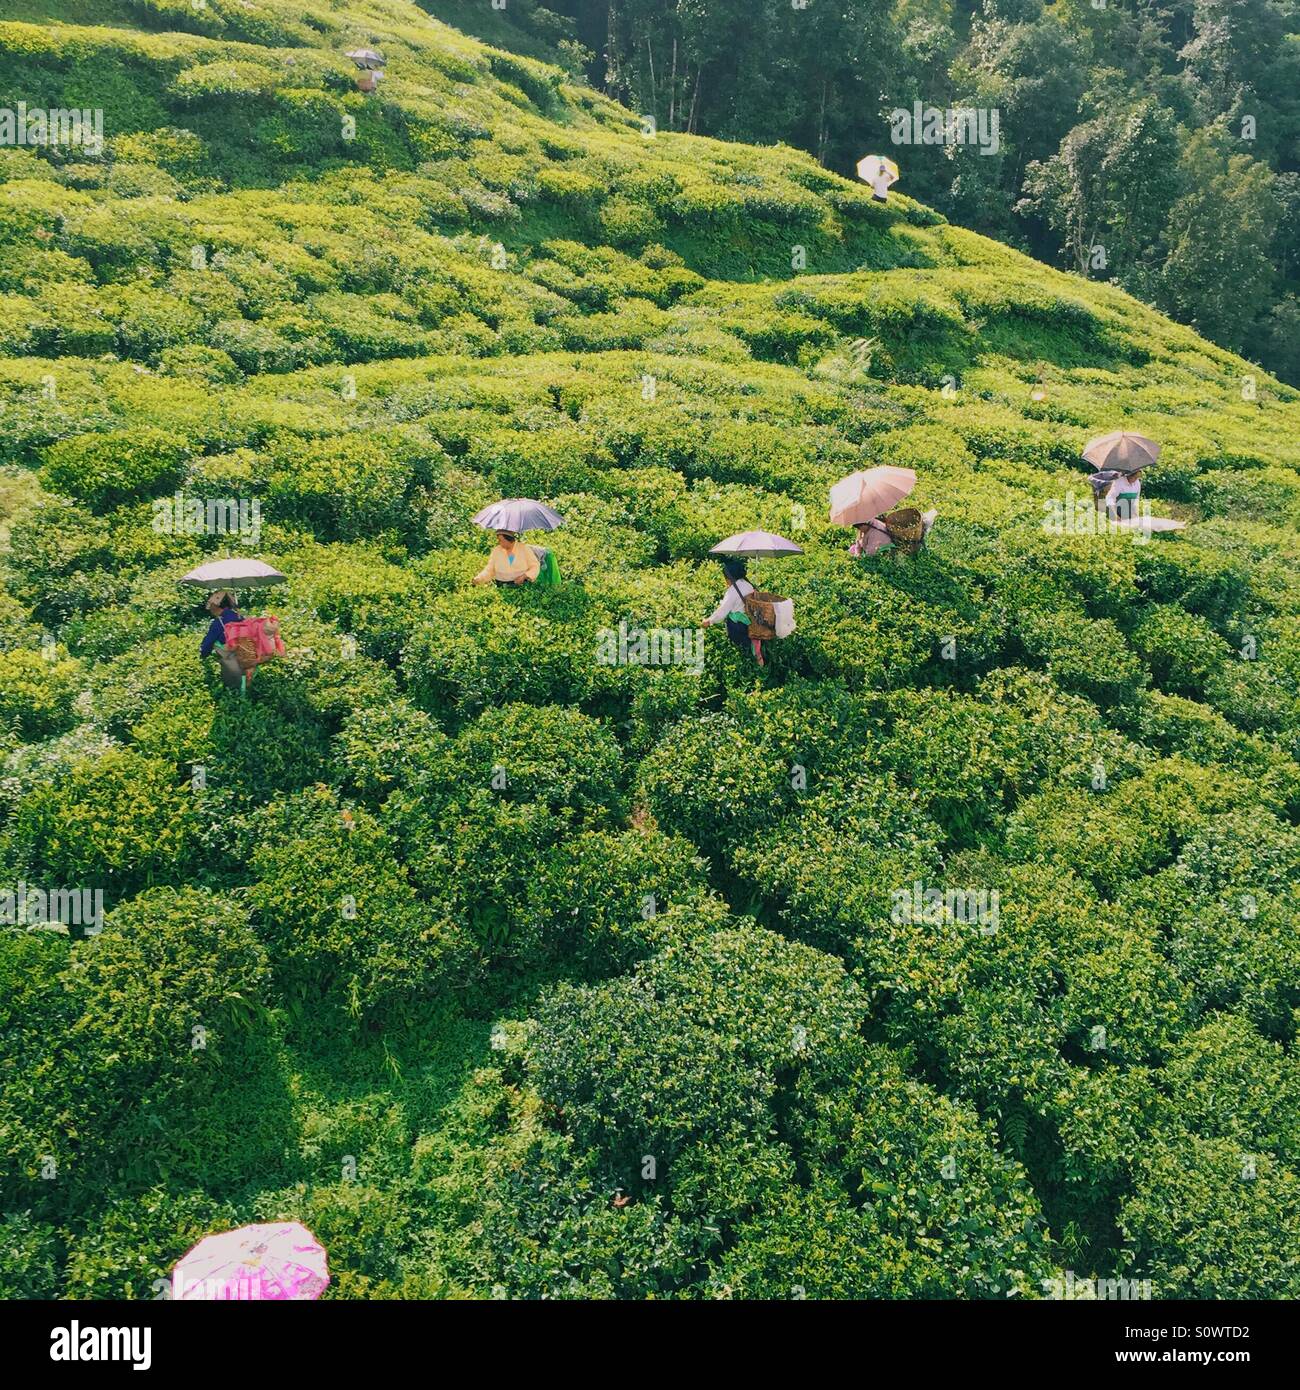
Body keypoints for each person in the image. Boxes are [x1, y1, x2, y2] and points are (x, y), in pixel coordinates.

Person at [704, 558, 764, 666]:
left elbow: (722, 612)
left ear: (730, 577)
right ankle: (755, 660)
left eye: (725, 578)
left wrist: (709, 621)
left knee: (741, 650)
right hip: (751, 622)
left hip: (739, 627)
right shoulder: (748, 584)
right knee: (748, 649)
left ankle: (744, 663)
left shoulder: (732, 591)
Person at [198, 590, 248, 692]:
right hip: (249, 657)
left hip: (233, 661)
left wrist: (202, 656)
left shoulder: (219, 622)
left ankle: (232, 688)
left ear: (216, 605)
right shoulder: (239, 616)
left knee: (217, 644)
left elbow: (207, 644)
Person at [473, 530, 540, 586]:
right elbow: (490, 569)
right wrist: (479, 578)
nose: (498, 542)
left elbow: (535, 566)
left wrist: (524, 576)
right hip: (501, 584)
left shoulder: (524, 548)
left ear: (508, 539)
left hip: (522, 584)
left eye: (500, 540)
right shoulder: (496, 550)